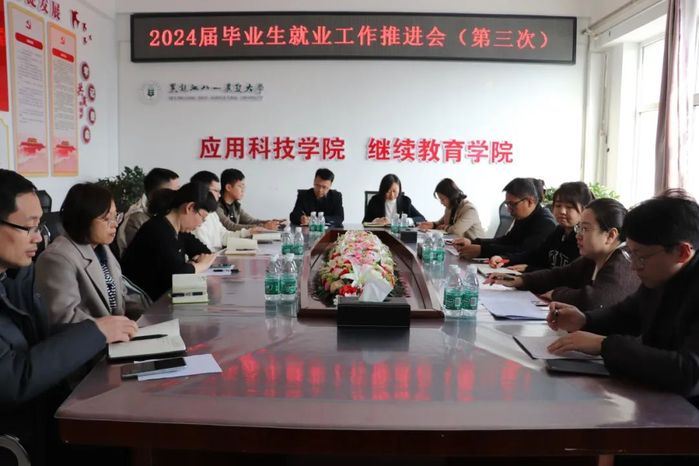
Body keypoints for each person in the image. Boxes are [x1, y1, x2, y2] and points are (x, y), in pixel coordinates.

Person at [0, 169, 138, 466]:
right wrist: (97, 331)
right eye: (29, 227)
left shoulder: (14, 277)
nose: (39, 237)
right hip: (26, 431)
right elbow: (13, 380)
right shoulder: (52, 260)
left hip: (48, 410)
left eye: (40, 226)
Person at [546, 197, 699, 414]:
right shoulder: (662, 275)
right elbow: (627, 314)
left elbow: (689, 374)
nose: (634, 267)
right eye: (630, 253)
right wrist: (585, 320)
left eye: (641, 257)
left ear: (682, 252)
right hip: (656, 401)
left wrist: (605, 345)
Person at [487, 198, 639, 310]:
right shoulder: (594, 257)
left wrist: (556, 294)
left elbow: (594, 302)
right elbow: (559, 275)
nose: (578, 235)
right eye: (579, 228)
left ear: (611, 235)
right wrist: (519, 280)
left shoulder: (623, 262)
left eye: (585, 229)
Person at [35, 184, 145, 328]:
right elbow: (64, 317)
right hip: (92, 339)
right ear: (83, 219)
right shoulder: (57, 258)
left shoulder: (102, 248)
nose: (114, 224)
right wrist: (114, 327)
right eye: (106, 219)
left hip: (119, 335)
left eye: (116, 216)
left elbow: (122, 298)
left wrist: (149, 315)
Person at [121, 182, 217, 301]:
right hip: (146, 304)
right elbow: (177, 276)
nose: (201, 224)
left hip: (161, 299)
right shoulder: (157, 230)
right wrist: (200, 265)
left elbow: (204, 252)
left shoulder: (179, 230)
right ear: (190, 207)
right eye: (202, 218)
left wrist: (191, 266)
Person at [489, 181, 594, 272]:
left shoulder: (584, 240)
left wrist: (530, 269)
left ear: (585, 210)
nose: (562, 211)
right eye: (558, 206)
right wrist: (505, 259)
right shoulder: (558, 231)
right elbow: (536, 255)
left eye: (569, 207)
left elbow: (568, 276)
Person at [454, 177, 556, 259]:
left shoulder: (545, 223)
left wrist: (482, 250)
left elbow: (523, 251)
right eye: (507, 204)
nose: (509, 210)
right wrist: (473, 242)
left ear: (529, 202)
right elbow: (507, 240)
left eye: (513, 204)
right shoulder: (523, 217)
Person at [116, 167, 179, 255]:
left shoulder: (168, 213)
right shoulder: (136, 220)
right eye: (174, 192)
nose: (178, 196)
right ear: (156, 193)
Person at [190, 171, 245, 250]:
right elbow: (205, 250)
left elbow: (224, 235)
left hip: (217, 255)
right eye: (216, 191)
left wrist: (248, 232)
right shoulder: (193, 215)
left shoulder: (212, 213)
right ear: (201, 190)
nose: (219, 195)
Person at [417, 178, 485, 240]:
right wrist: (433, 224)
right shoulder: (450, 208)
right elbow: (440, 222)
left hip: (475, 246)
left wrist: (445, 227)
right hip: (458, 244)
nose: (441, 202)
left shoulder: (469, 210)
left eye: (442, 199)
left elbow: (456, 230)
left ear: (451, 196)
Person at [218, 168, 281, 233]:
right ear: (228, 187)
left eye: (244, 187)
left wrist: (274, 222)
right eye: (240, 186)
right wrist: (263, 226)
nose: (243, 190)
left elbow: (251, 221)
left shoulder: (235, 205)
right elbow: (230, 227)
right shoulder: (217, 207)